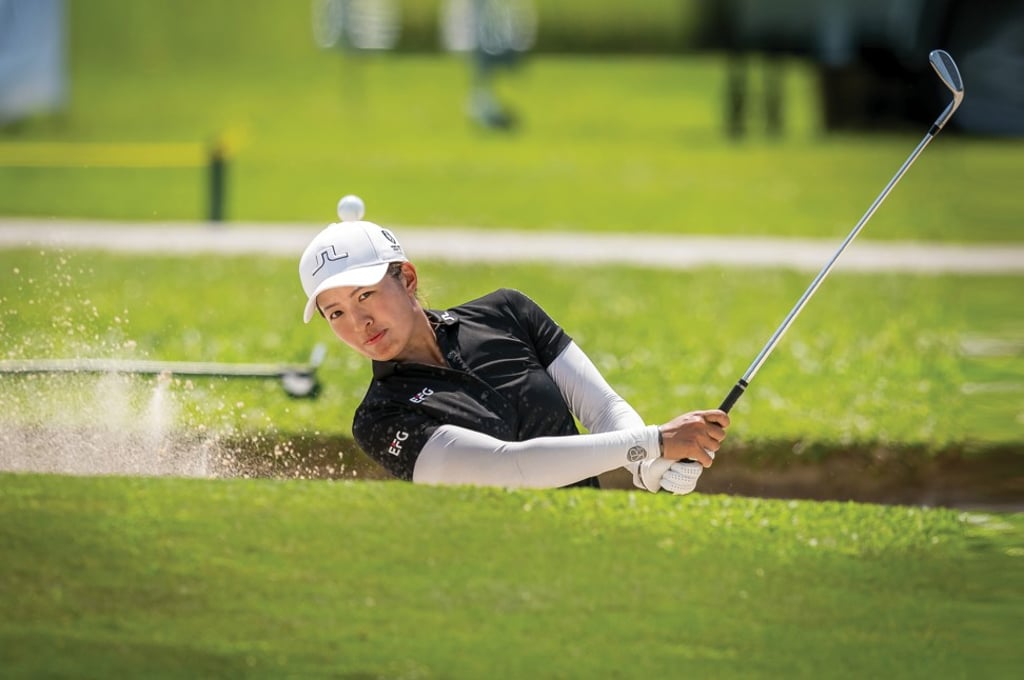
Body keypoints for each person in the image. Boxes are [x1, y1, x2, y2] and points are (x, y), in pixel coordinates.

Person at [299, 198, 730, 493]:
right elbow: (508, 468)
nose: (358, 323)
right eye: (335, 313)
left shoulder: (506, 312)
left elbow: (602, 410)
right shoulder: (379, 418)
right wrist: (652, 442)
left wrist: (648, 465)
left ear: (407, 279)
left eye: (365, 295)